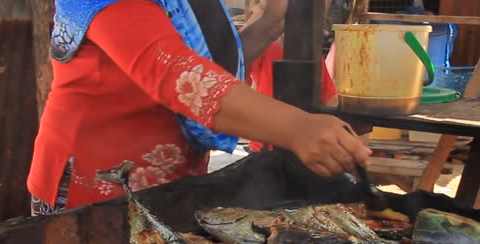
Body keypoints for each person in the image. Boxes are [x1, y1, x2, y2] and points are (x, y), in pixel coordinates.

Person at [28, 0, 370, 215]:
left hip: (170, 184)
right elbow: (178, 75)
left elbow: (207, 67)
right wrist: (297, 128)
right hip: (91, 190)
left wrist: (267, 25)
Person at [244, 0, 339, 154]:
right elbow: (238, 76)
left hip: (300, 143)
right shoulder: (265, 47)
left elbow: (329, 98)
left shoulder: (311, 54)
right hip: (268, 144)